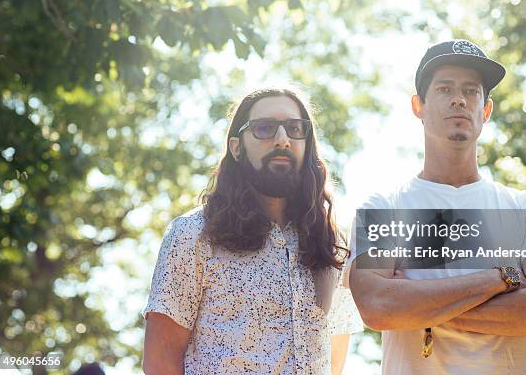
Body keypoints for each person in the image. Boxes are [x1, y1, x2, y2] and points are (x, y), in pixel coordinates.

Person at [348, 40, 526, 374]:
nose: (459, 99)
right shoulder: (384, 208)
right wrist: (504, 277)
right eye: (444, 89)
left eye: (471, 90)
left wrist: (419, 306)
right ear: (418, 106)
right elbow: (378, 306)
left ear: (485, 110)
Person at [142, 87, 363, 374]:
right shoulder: (193, 234)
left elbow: (334, 364)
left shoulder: (331, 245)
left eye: (295, 129)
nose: (282, 140)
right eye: (264, 128)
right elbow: (160, 362)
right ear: (236, 147)